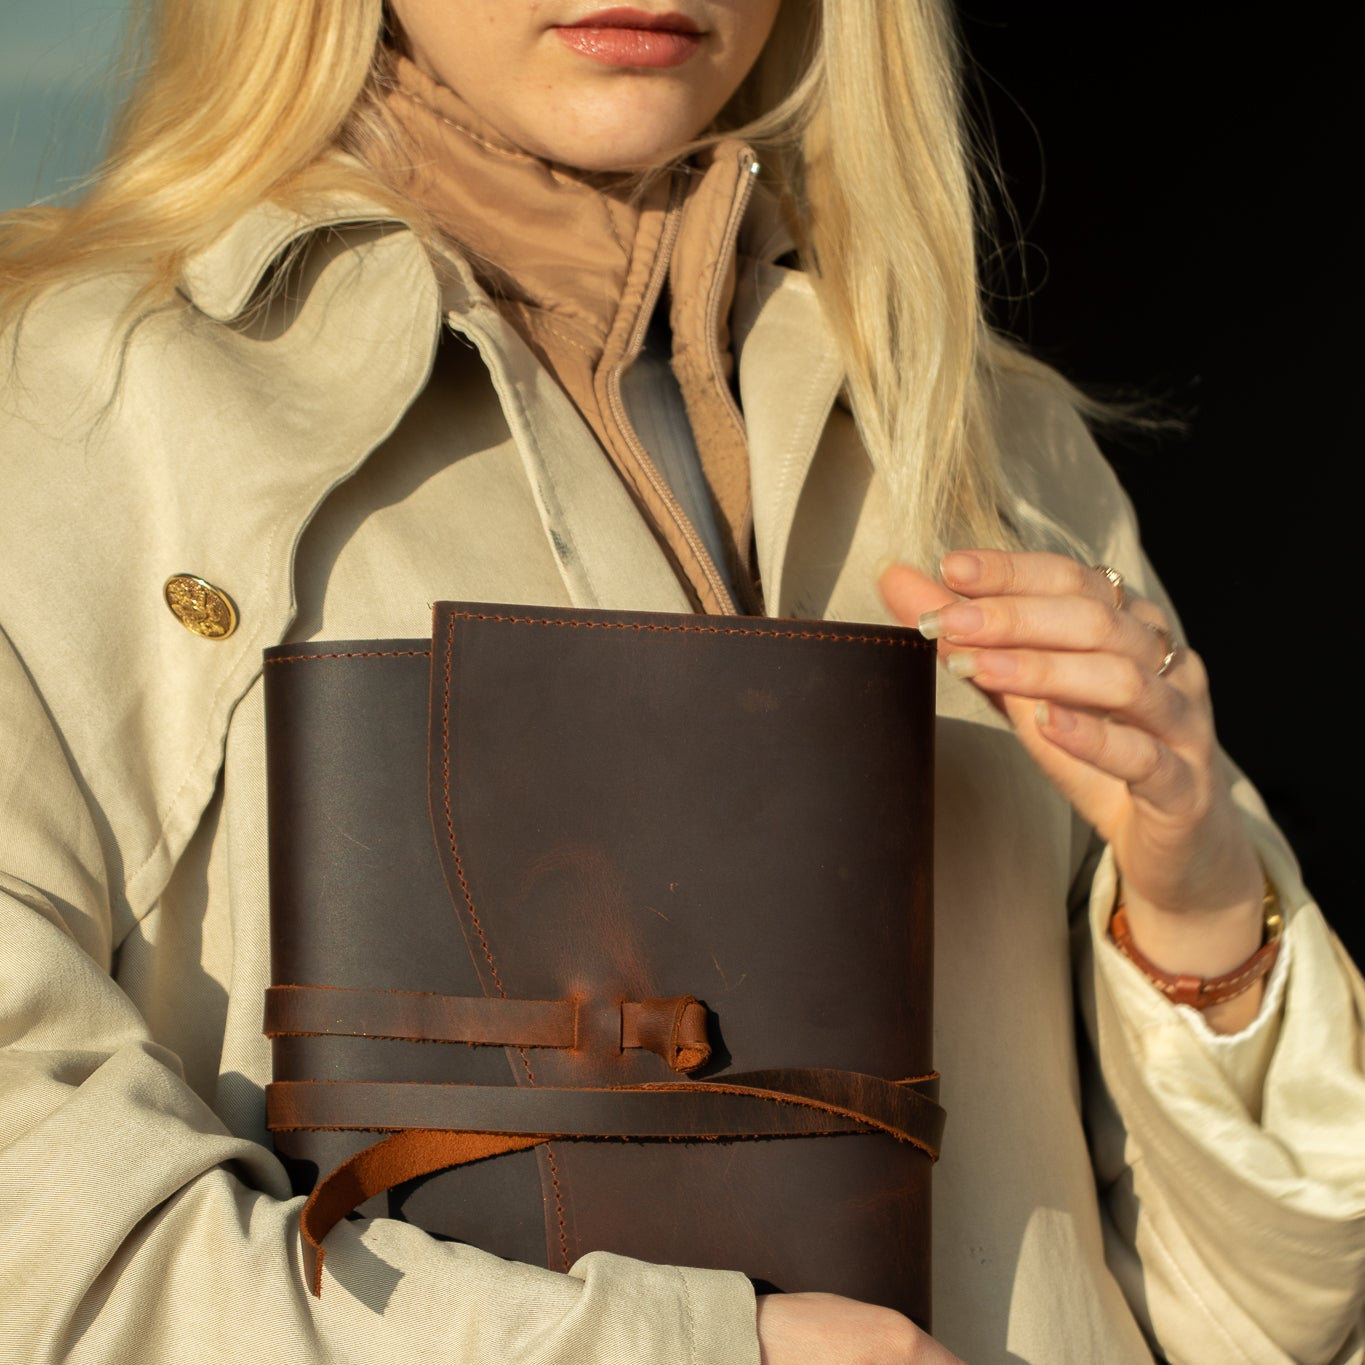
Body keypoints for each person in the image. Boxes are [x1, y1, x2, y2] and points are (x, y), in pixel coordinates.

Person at [0, 2, 1361, 1362]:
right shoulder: (78, 409)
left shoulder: (992, 447)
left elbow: (1265, 1324)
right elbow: (28, 1221)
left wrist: (1200, 925)